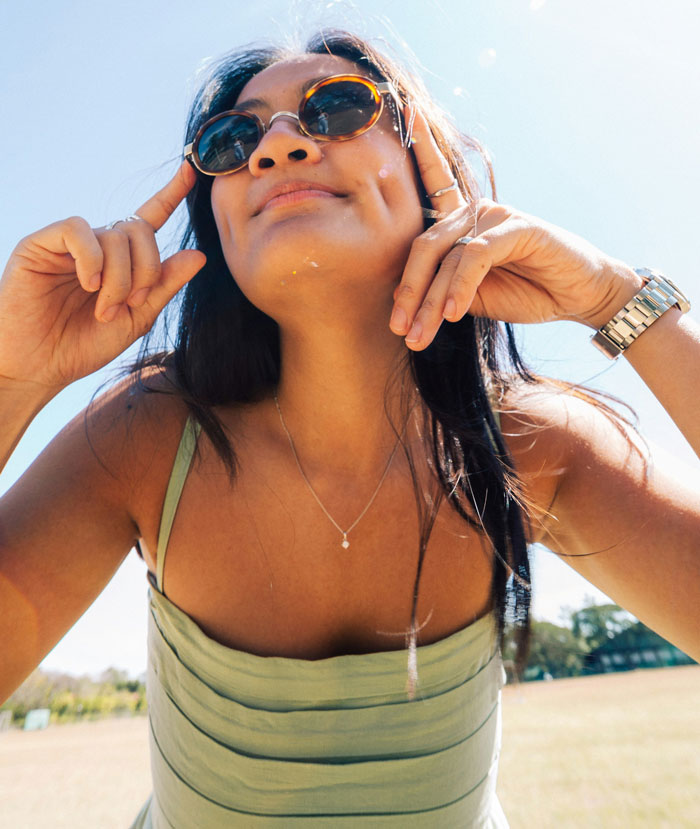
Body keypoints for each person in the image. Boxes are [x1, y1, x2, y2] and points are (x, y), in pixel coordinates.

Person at [1, 28, 698, 828]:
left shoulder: (532, 445)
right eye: (233, 139)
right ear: (218, 228)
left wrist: (620, 301)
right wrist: (14, 380)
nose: (277, 147)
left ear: (430, 172)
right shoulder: (145, 438)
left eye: (336, 107)